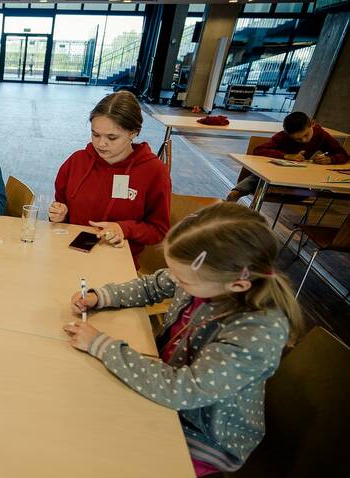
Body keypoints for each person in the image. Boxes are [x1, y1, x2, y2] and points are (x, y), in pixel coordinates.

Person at [64, 202, 304, 476]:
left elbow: (184, 390)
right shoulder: (203, 276)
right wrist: (100, 297)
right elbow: (152, 285)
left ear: (237, 285)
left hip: (204, 437)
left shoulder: (257, 331)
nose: (176, 282)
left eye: (183, 280)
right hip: (167, 391)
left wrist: (102, 346)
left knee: (96, 449)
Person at [48, 90, 171, 268]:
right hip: (69, 255)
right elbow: (61, 204)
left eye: (112, 137)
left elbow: (159, 230)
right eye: (95, 134)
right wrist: (60, 214)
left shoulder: (154, 171)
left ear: (133, 132)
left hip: (117, 264)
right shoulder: (76, 161)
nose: (101, 144)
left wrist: (124, 229)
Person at [226, 111, 349, 202]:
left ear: (312, 124)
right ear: (287, 134)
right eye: (298, 139)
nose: (304, 140)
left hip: (299, 178)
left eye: (306, 135)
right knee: (259, 177)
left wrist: (330, 159)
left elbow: (343, 154)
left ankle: (241, 192)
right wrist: (285, 156)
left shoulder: (321, 135)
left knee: (307, 190)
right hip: (273, 172)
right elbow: (259, 150)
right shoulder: (283, 136)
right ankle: (236, 193)